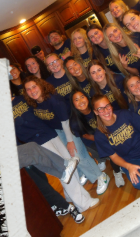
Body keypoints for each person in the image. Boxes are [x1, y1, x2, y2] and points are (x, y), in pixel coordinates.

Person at [13, 78, 97, 214]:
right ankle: (84, 203)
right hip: (36, 143)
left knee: (70, 165)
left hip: (50, 133)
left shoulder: (22, 99)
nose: (31, 91)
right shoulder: (1, 113)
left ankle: (70, 196)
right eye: (28, 89)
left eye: (33, 87)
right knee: (64, 169)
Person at [67, 89, 112, 196]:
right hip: (93, 142)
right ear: (73, 104)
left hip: (106, 134)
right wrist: (105, 139)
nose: (80, 101)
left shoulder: (96, 107)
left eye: (82, 97)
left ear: (87, 97)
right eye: (76, 100)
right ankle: (102, 158)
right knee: (107, 149)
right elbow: (86, 136)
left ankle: (104, 158)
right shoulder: (74, 121)